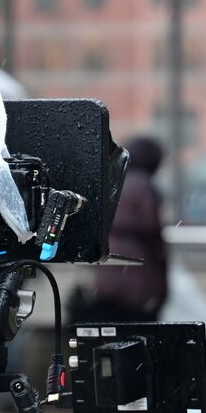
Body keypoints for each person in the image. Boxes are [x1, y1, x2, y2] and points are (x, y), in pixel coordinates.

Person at [73, 135, 169, 323]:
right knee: (135, 327)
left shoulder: (112, 181)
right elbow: (152, 228)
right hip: (137, 273)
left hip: (106, 270)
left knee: (109, 326)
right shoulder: (145, 186)